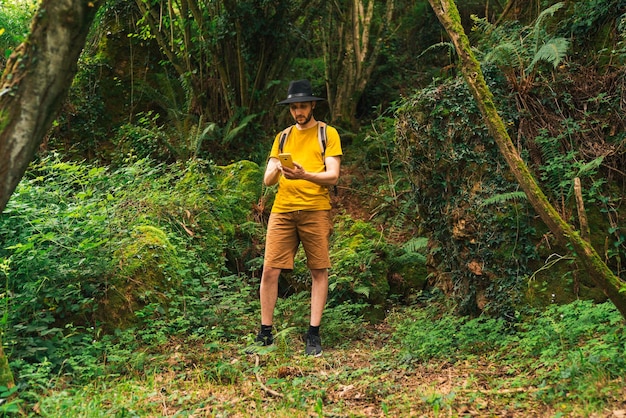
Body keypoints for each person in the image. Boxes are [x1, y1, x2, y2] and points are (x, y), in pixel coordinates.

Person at [250, 79, 342, 356]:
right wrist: (277, 167)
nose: (298, 112)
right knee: (269, 270)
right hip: (283, 210)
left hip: (315, 209)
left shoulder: (327, 133)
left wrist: (305, 175)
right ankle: (265, 332)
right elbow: (267, 181)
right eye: (294, 108)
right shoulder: (283, 137)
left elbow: (333, 175)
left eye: (302, 106)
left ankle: (313, 334)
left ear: (313, 105)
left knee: (318, 270)